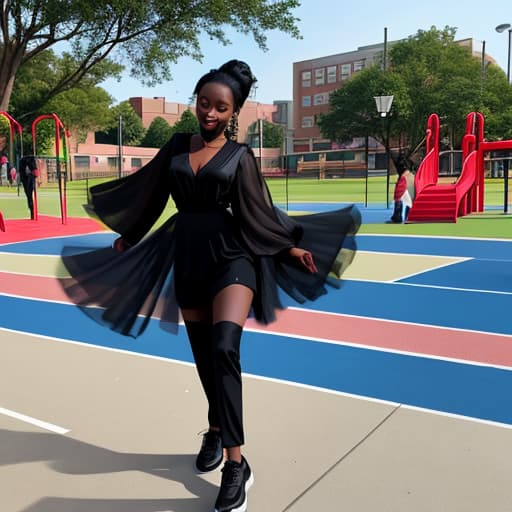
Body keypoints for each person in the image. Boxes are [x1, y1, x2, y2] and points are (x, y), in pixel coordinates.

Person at [61, 60, 360, 512]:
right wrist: (130, 234)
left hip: (233, 256)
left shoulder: (240, 157)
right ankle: (216, 428)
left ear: (233, 112)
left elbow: (259, 213)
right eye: (205, 103)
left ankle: (235, 465)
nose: (211, 112)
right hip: (188, 256)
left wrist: (287, 249)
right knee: (205, 358)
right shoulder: (178, 146)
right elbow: (151, 194)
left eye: (221, 107)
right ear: (196, 102)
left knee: (224, 347)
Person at [389, 156, 415, 223]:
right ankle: (402, 218)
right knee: (407, 203)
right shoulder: (405, 172)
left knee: (405, 202)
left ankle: (401, 217)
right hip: (403, 186)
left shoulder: (403, 172)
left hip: (402, 185)